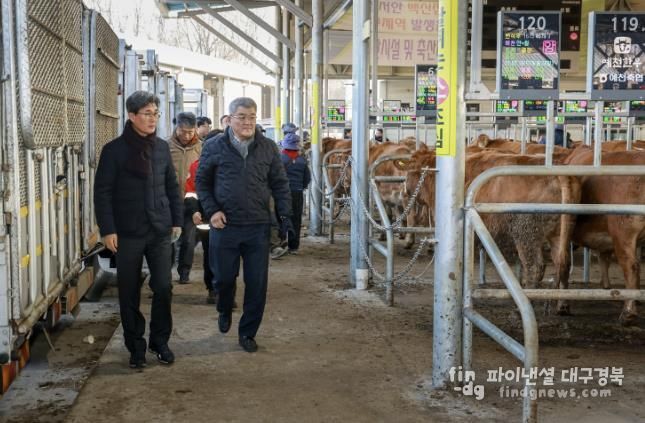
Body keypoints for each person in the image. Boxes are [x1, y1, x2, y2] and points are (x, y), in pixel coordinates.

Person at [196, 97, 293, 353]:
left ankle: (248, 332)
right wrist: (212, 211)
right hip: (224, 225)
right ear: (229, 119)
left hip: (257, 226)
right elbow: (202, 182)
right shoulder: (214, 146)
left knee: (257, 283)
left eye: (252, 117)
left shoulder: (268, 147)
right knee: (224, 278)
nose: (248, 122)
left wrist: (285, 217)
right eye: (242, 117)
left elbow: (280, 184)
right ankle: (224, 307)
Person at [94, 91, 182, 368]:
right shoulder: (114, 151)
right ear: (132, 116)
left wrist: (177, 220)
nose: (153, 119)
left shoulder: (161, 148)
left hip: (159, 230)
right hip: (127, 232)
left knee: (164, 286)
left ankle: (160, 341)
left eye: (156, 113)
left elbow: (172, 186)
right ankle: (135, 346)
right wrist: (108, 230)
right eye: (147, 113)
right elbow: (102, 193)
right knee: (129, 291)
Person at [169, 112, 202, 284]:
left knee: (188, 240)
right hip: (169, 202)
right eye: (183, 131)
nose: (187, 135)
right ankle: (165, 274)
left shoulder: (201, 148)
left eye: (190, 132)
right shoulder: (166, 147)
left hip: (192, 203)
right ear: (177, 128)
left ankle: (184, 272)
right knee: (168, 240)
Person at [277, 133, 311, 254]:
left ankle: (280, 243)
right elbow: (307, 178)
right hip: (297, 193)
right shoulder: (302, 160)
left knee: (280, 217)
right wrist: (301, 187)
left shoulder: (279, 158)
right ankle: (294, 247)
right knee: (296, 219)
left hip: (281, 193)